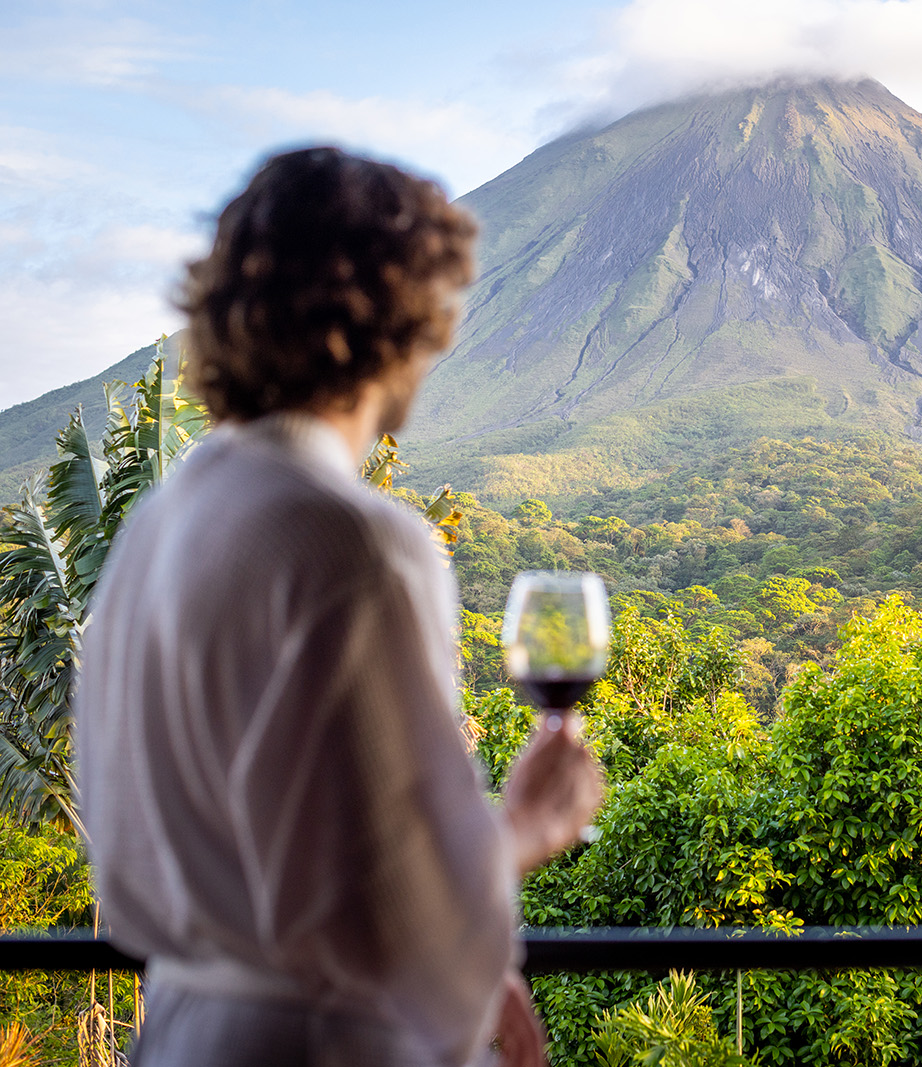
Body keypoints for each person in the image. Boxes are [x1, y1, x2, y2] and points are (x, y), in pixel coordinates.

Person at [74, 146, 603, 1067]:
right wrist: (527, 825)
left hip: (183, 1033)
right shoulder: (353, 542)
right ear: (400, 325)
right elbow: (386, 902)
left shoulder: (158, 526)